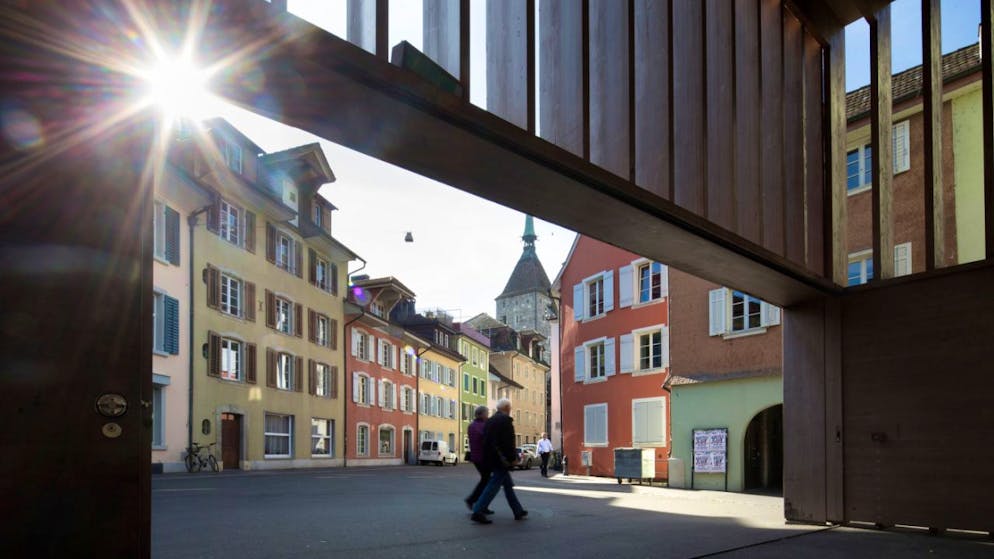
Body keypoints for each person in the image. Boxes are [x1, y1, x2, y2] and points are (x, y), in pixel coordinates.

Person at [470, 398, 527, 524]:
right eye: (510, 408)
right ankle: (478, 510)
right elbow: (508, 442)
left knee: (507, 485)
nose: (510, 410)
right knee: (494, 484)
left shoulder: (490, 421)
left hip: (491, 457)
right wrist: (513, 459)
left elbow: (486, 441)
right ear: (507, 408)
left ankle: (518, 510)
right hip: (501, 459)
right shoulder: (505, 421)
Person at [464, 405, 494, 514]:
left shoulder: (472, 425)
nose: (488, 415)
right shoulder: (481, 426)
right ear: (481, 414)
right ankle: (474, 501)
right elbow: (486, 439)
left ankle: (480, 503)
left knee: (486, 480)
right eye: (487, 413)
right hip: (482, 457)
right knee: (487, 480)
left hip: (476, 457)